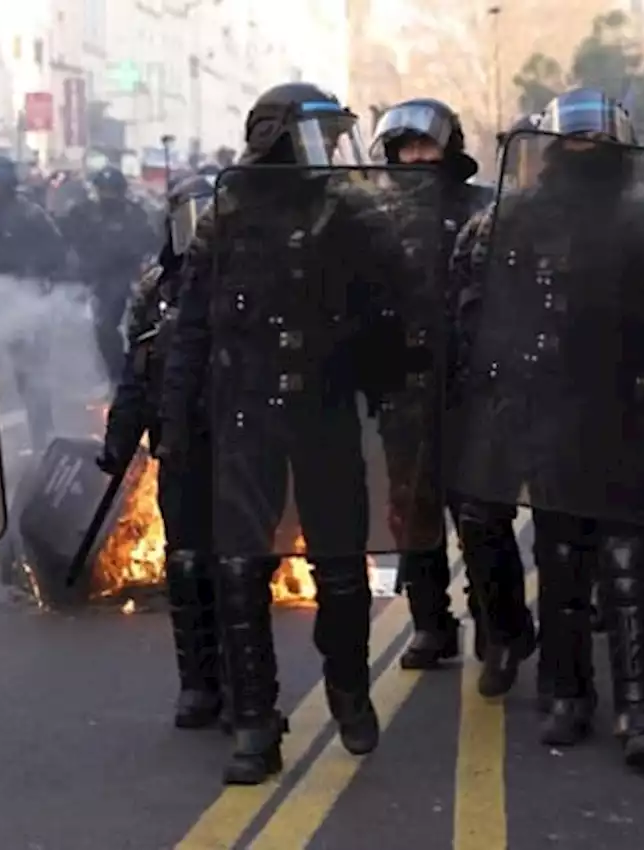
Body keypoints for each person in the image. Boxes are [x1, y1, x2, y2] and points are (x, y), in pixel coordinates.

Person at [161, 82, 435, 783]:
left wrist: (392, 367)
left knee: (341, 572)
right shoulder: (226, 218)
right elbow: (191, 325)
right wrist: (177, 422)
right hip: (246, 413)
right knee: (241, 570)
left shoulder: (352, 216)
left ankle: (347, 684)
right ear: (275, 137)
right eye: (317, 136)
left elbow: (398, 311)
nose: (332, 152)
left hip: (325, 411)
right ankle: (255, 723)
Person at [448, 88, 644, 769]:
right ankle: (567, 694)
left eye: (597, 137)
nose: (585, 148)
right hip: (552, 404)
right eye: (575, 138)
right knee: (561, 555)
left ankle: (638, 704)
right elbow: (489, 307)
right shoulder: (523, 218)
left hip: (629, 403)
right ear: (556, 146)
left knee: (628, 558)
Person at [369, 98, 535, 683]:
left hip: (473, 384)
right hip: (404, 387)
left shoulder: (483, 209)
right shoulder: (376, 216)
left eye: (424, 145)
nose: (414, 157)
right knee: (412, 513)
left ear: (449, 146)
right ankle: (431, 624)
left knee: (480, 512)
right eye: (403, 147)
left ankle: (500, 630)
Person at [99, 174, 219, 728]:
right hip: (180, 445)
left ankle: (246, 688)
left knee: (238, 565)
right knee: (186, 562)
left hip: (239, 443)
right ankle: (197, 684)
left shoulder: (245, 278)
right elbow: (136, 374)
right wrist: (119, 441)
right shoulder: (155, 289)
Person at [0, 155, 69, 451]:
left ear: (4, 185)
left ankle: (44, 441)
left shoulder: (30, 215)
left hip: (22, 308)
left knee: (31, 378)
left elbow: (57, 254)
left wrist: (31, 278)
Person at [60, 166, 159, 384]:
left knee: (125, 325)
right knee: (96, 328)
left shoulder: (134, 214)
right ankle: (108, 372)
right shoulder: (82, 213)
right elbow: (67, 240)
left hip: (125, 276)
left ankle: (128, 371)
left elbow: (149, 243)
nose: (107, 196)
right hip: (93, 277)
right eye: (103, 190)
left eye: (112, 191)